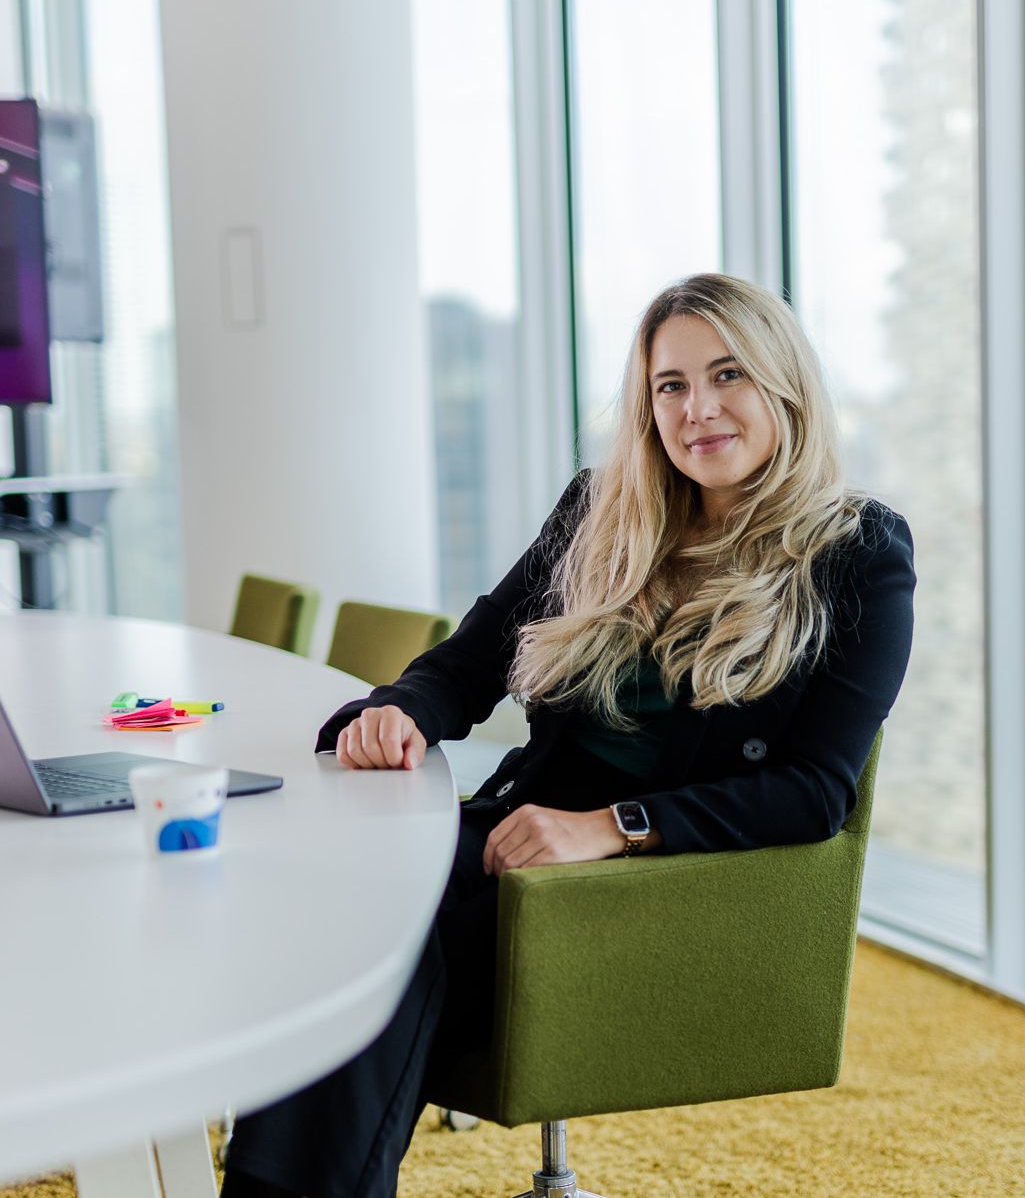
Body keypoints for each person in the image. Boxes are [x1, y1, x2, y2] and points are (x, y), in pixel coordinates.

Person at [221, 272, 915, 1198]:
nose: (697, 409)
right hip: (514, 835)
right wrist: (404, 709)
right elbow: (468, 661)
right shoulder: (602, 509)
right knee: (340, 895)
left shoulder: (857, 551)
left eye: (726, 376)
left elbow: (813, 792)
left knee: (377, 935)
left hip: (652, 874)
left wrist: (609, 825)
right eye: (669, 385)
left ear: (782, 385)